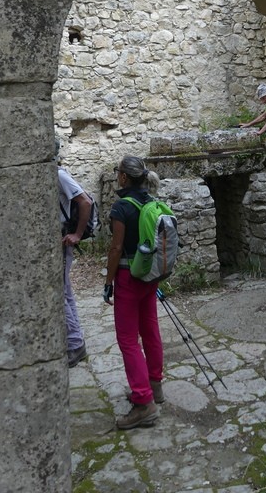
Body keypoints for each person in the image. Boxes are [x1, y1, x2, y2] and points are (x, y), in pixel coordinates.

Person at [103, 155, 165, 431]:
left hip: (128, 278)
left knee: (128, 340)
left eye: (118, 172)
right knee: (150, 330)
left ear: (124, 177)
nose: (117, 176)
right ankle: (155, 386)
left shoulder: (121, 208)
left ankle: (143, 403)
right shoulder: (151, 202)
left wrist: (108, 281)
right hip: (149, 277)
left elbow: (116, 249)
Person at [56, 140, 91, 367]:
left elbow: (85, 201)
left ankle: (75, 345)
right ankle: (75, 343)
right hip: (60, 239)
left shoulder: (58, 175)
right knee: (65, 291)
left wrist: (77, 234)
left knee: (61, 292)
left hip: (62, 239)